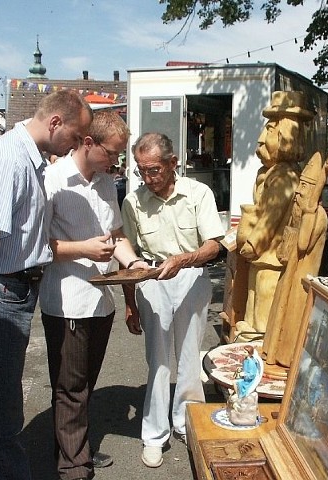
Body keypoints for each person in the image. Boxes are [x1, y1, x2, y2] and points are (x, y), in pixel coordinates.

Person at [0, 89, 93, 480]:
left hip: (10, 288)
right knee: (1, 412)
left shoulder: (24, 158)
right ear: (56, 123)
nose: (74, 147)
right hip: (1, 290)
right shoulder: (11, 160)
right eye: (74, 137)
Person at [39, 110, 142, 480]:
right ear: (88, 142)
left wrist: (134, 263)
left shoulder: (102, 182)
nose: (116, 162)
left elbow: (115, 237)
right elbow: (36, 246)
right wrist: (82, 248)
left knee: (83, 388)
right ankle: (73, 468)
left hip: (100, 301)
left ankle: (72, 450)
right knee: (71, 390)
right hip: (67, 300)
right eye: (112, 154)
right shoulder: (52, 180)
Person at [121, 132, 224, 468]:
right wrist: (130, 302)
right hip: (150, 279)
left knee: (189, 360)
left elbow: (214, 246)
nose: (148, 178)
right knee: (159, 360)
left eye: (154, 170)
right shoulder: (133, 202)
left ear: (173, 163)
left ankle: (186, 422)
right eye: (142, 170)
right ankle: (154, 434)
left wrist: (182, 260)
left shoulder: (198, 194)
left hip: (190, 276)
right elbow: (127, 256)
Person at [234, 91, 314, 337]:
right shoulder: (271, 173)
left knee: (266, 297)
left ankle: (259, 337)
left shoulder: (284, 177)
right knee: (253, 295)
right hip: (261, 257)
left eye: (269, 131)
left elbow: (271, 217)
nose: (260, 140)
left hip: (270, 255)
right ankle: (251, 329)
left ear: (286, 138)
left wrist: (253, 242)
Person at [262, 152, 328, 368]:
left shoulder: (318, 215)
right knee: (278, 313)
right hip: (288, 273)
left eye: (304, 187)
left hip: (302, 278)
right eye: (299, 185)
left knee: (293, 317)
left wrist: (309, 210)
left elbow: (303, 243)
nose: (298, 191)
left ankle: (286, 356)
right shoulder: (299, 213)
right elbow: (287, 245)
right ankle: (271, 350)